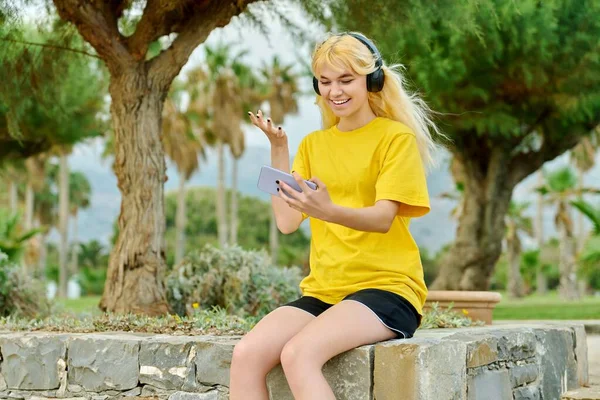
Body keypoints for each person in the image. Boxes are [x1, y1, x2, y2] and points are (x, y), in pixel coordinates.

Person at [229, 32, 442, 400]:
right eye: (325, 82)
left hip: (387, 289)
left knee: (298, 354)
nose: (335, 91)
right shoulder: (314, 144)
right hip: (325, 292)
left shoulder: (395, 139)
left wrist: (328, 211)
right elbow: (287, 222)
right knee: (246, 354)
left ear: (371, 81)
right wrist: (279, 150)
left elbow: (382, 218)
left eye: (346, 80)